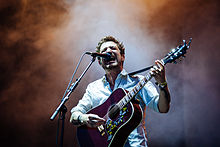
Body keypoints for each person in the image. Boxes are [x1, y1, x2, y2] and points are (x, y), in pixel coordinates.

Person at [70, 36, 170, 147]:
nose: (108, 51)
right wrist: (84, 118)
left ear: (122, 56)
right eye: (104, 50)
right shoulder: (93, 88)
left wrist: (162, 83)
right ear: (99, 61)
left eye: (112, 48)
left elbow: (163, 107)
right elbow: (74, 115)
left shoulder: (139, 81)